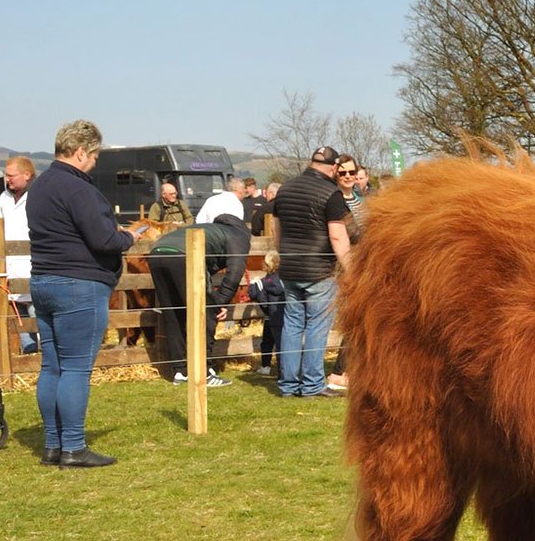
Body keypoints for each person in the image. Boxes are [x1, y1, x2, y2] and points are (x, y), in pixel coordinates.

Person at [26, 120, 150, 467]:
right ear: (81, 152)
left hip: (44, 282)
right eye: (94, 156)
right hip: (78, 286)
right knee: (77, 370)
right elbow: (103, 240)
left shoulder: (39, 187)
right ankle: (74, 448)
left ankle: (53, 445)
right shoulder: (80, 189)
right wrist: (129, 237)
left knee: (52, 367)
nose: (95, 163)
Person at [273, 146, 354, 398]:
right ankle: (312, 385)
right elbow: (337, 236)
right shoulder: (331, 193)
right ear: (332, 168)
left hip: (290, 268)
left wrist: (284, 255)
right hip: (319, 270)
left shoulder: (285, 188)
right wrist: (350, 267)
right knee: (317, 327)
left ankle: (287, 385)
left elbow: (277, 230)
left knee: (292, 325)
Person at [145, 198, 251, 386]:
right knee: (206, 315)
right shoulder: (239, 236)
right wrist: (218, 304)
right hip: (183, 255)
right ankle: (205, 371)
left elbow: (206, 269)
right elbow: (235, 273)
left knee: (173, 313)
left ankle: (180, 371)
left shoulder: (209, 229)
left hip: (157, 252)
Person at [0, 155, 37, 353]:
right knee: (20, 321)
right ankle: (29, 357)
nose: (7, 179)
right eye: (6, 175)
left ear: (27, 175)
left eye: (11, 175)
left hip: (34, 267)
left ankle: (47, 361)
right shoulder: (3, 199)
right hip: (9, 269)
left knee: (37, 316)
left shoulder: (39, 196)